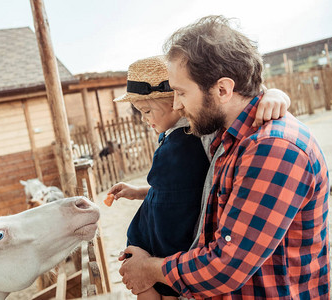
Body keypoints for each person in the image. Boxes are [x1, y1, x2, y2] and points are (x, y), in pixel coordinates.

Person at [118, 16, 330, 299]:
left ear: (222, 90)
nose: (177, 105)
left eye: (181, 92)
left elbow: (226, 266)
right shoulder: (226, 139)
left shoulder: (272, 149)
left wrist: (151, 270)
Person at [110, 55, 292, 300]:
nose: (178, 103)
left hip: (163, 248)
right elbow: (181, 190)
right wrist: (141, 191)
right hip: (157, 246)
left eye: (181, 94)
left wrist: (274, 95)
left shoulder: (195, 134)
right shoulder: (190, 132)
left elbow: (176, 208)